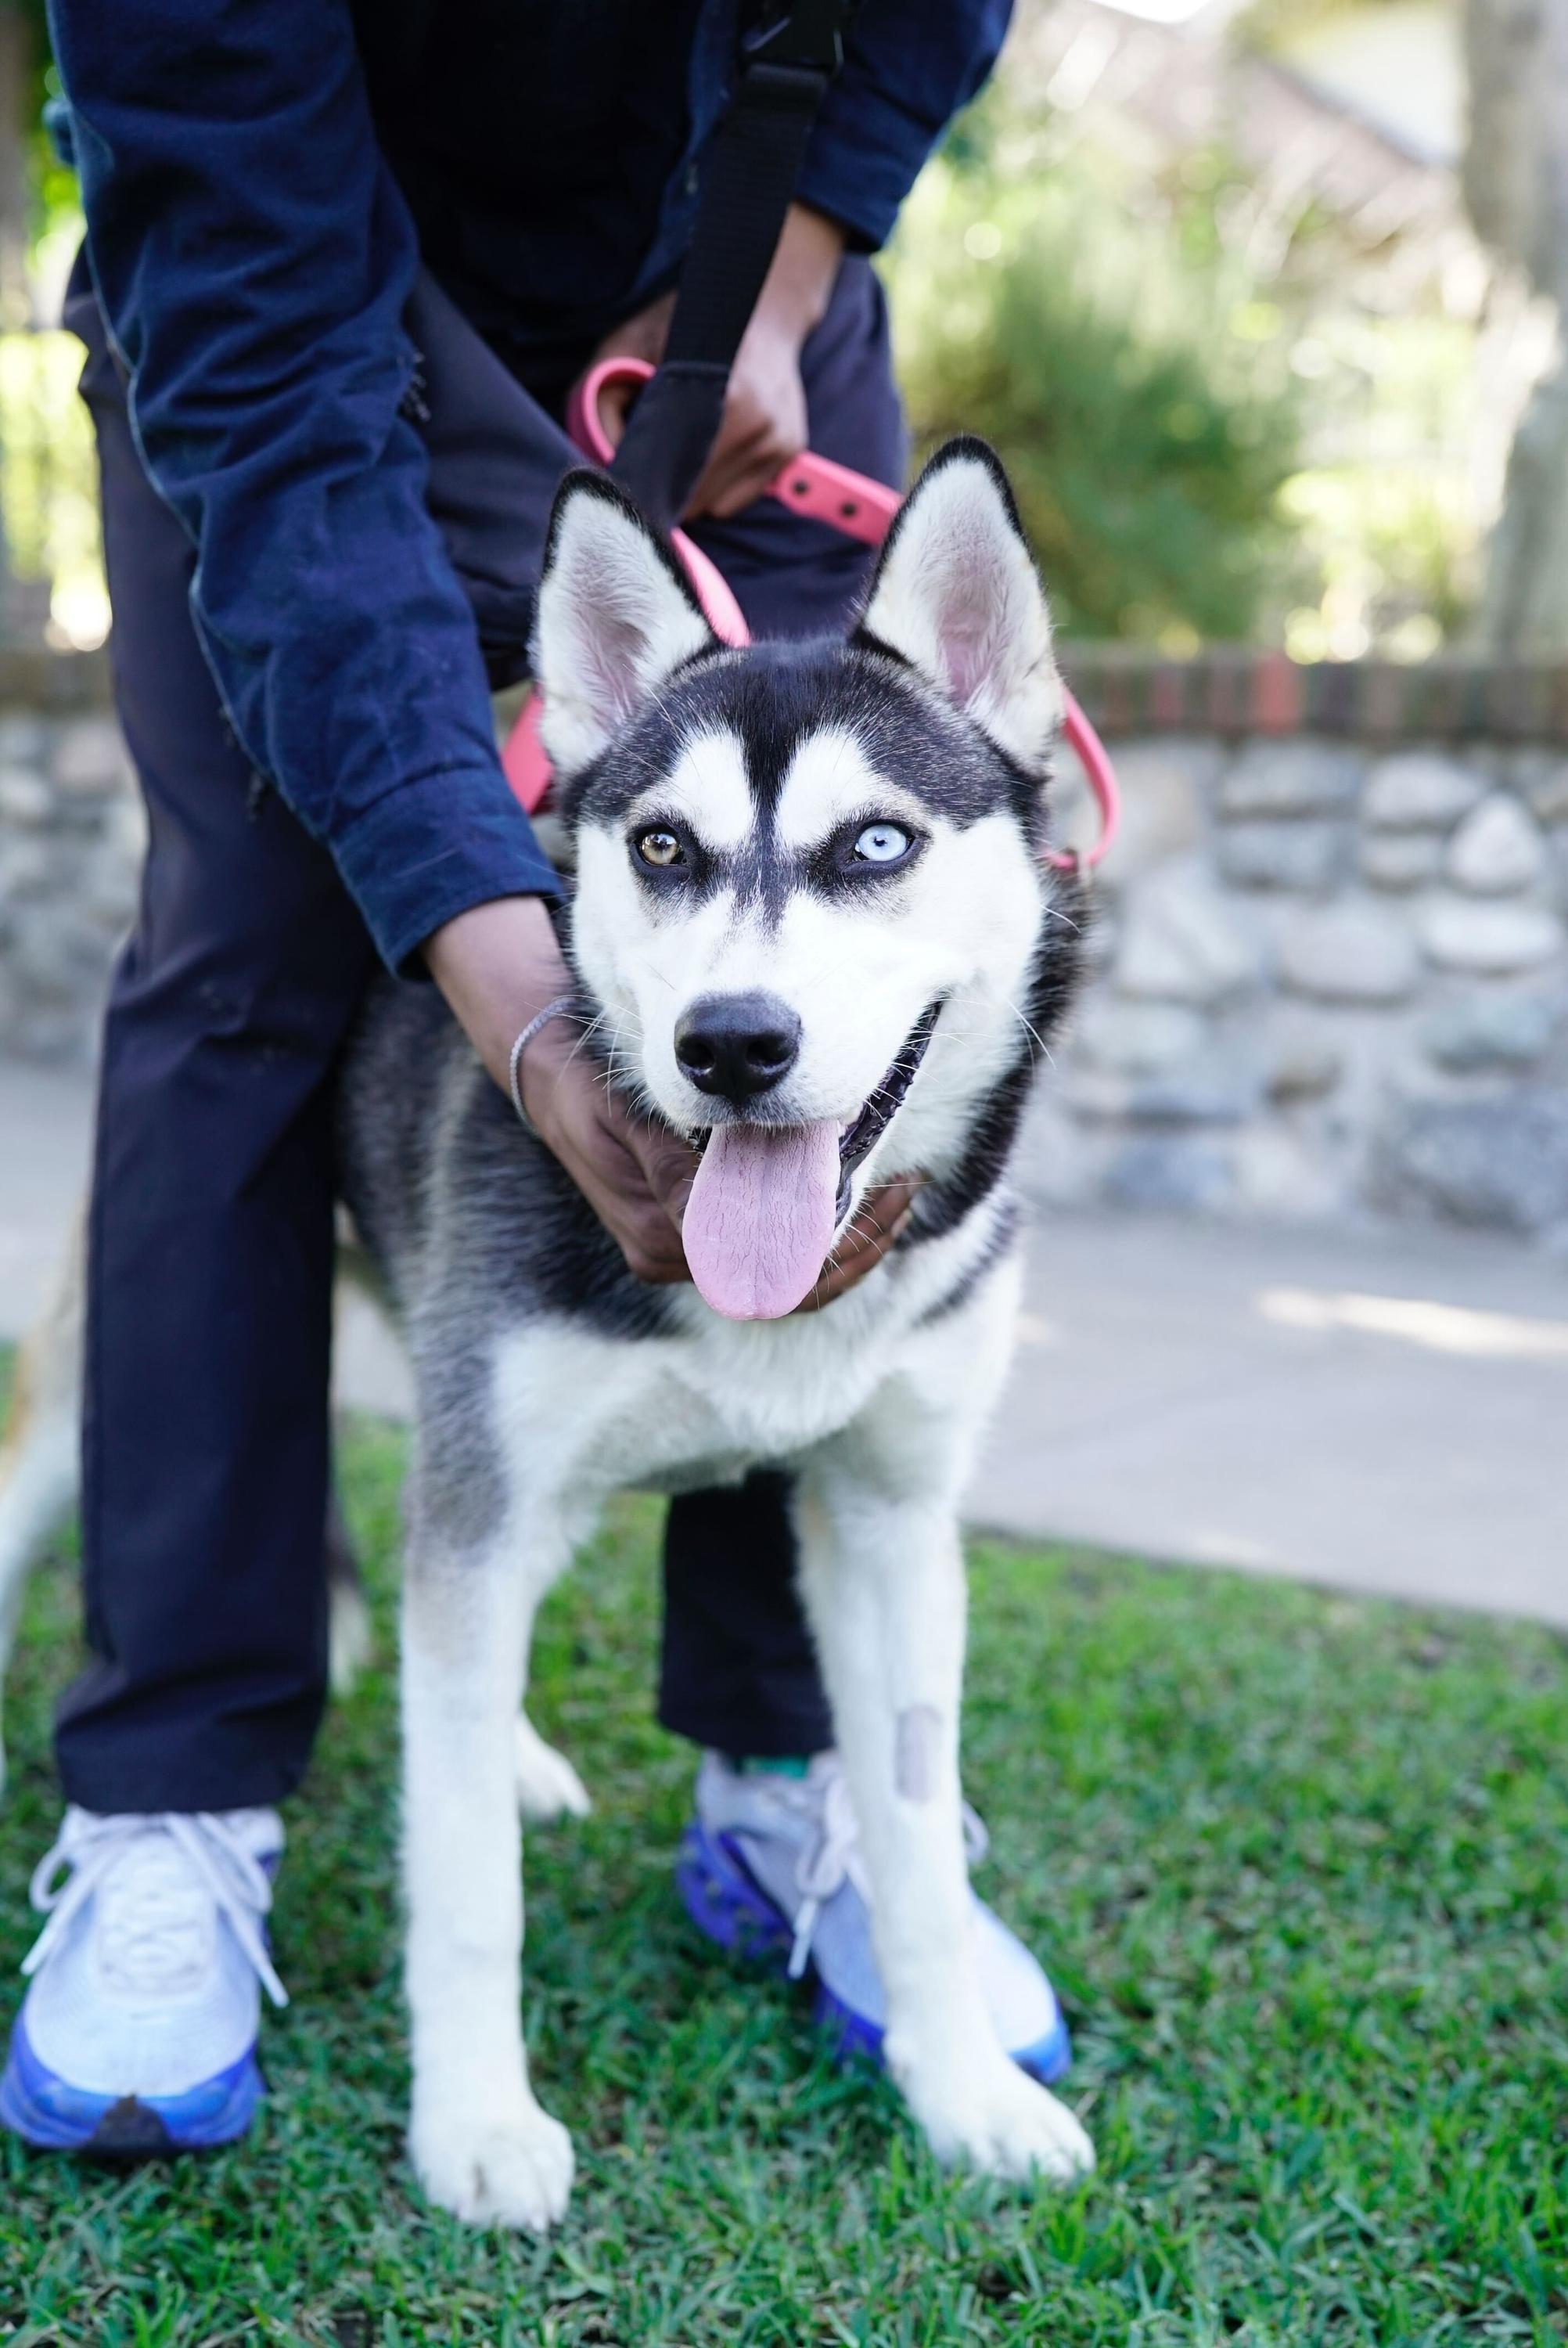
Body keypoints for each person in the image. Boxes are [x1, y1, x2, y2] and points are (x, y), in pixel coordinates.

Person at [0, 0, 1070, 2159]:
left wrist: (784, 267)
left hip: (728, 230)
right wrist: (512, 999)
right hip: (278, 292)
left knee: (803, 888)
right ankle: (174, 1801)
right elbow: (277, 387)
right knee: (249, 951)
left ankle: (805, 1799)